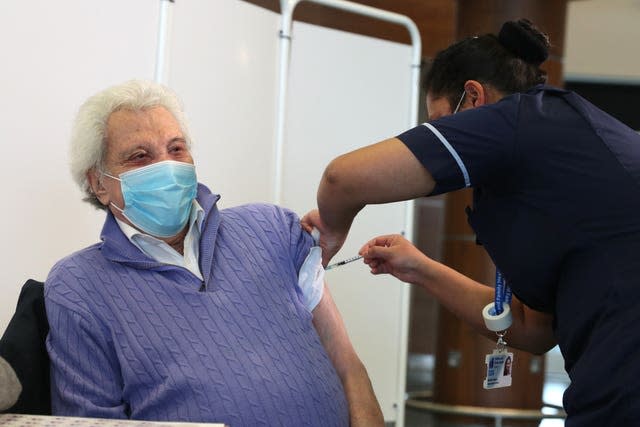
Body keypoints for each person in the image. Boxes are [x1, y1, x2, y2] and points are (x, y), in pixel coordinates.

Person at [302, 18, 640, 426]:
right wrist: (419, 268)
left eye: (441, 122)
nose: (440, 136)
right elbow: (535, 329)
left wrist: (332, 230)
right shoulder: (557, 154)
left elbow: (343, 178)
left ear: (474, 97)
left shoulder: (518, 121)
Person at [45, 80, 383, 426]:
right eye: (140, 156)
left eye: (176, 149)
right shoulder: (78, 286)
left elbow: (348, 365)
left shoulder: (272, 228)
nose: (168, 166)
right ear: (99, 183)